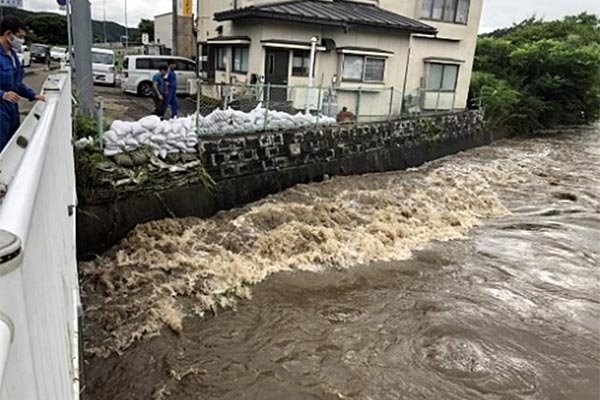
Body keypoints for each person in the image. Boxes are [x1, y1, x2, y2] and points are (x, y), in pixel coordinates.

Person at [0, 17, 45, 152]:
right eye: (20, 37)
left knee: (11, 148)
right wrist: (2, 94)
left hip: (11, 109)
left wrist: (34, 95)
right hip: (1, 109)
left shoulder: (13, 56)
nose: (22, 41)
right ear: (9, 34)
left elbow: (17, 83)